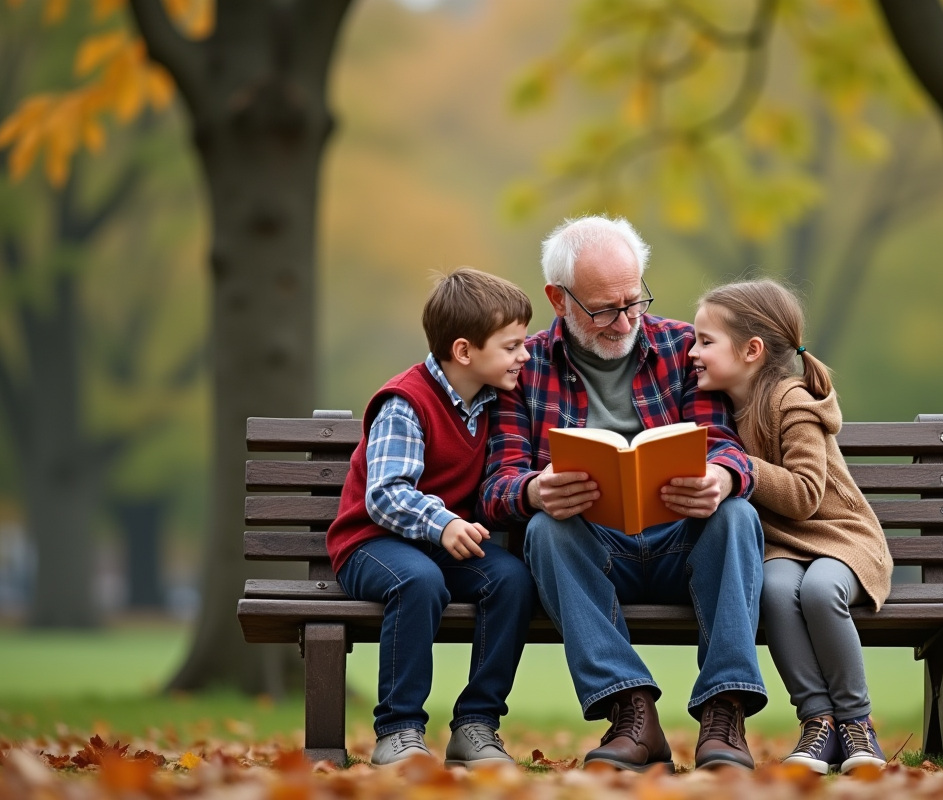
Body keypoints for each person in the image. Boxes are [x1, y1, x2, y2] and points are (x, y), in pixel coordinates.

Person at [479, 215, 767, 772]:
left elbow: (728, 446)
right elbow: (497, 485)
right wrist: (535, 491)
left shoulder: (684, 347)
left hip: (684, 546)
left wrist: (723, 478)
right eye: (603, 309)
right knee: (544, 528)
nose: (622, 321)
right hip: (593, 553)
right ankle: (630, 711)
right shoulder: (525, 367)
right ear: (558, 299)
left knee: (735, 517)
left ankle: (724, 714)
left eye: (633, 301)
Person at [326, 268, 536, 768]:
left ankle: (476, 725)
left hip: (440, 545)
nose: (524, 356)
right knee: (419, 581)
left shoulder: (493, 402)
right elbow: (386, 494)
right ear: (465, 352)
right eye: (511, 347)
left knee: (510, 580)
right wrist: (442, 523)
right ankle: (398, 730)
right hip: (370, 545)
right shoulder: (406, 402)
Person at [689, 279, 894, 774]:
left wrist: (742, 469)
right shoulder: (718, 410)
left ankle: (856, 723)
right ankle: (817, 722)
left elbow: (804, 495)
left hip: (841, 538)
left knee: (822, 591)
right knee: (777, 592)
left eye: (704, 341)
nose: (691, 352)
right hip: (784, 547)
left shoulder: (792, 402)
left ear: (752, 350)